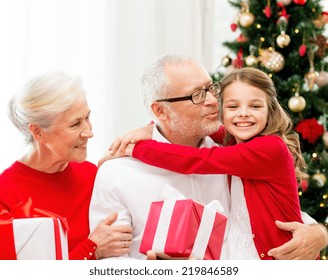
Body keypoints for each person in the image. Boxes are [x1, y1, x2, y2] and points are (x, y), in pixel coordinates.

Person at [92, 54, 328, 260]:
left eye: (211, 88)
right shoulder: (118, 172)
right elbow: (112, 261)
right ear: (159, 111)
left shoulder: (229, 149)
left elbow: (265, 209)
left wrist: (318, 233)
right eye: (197, 95)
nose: (214, 101)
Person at [0, 71, 133, 260]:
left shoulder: (91, 174)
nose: (88, 132)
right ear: (37, 131)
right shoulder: (5, 194)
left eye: (87, 118)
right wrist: (92, 249)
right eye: (75, 124)